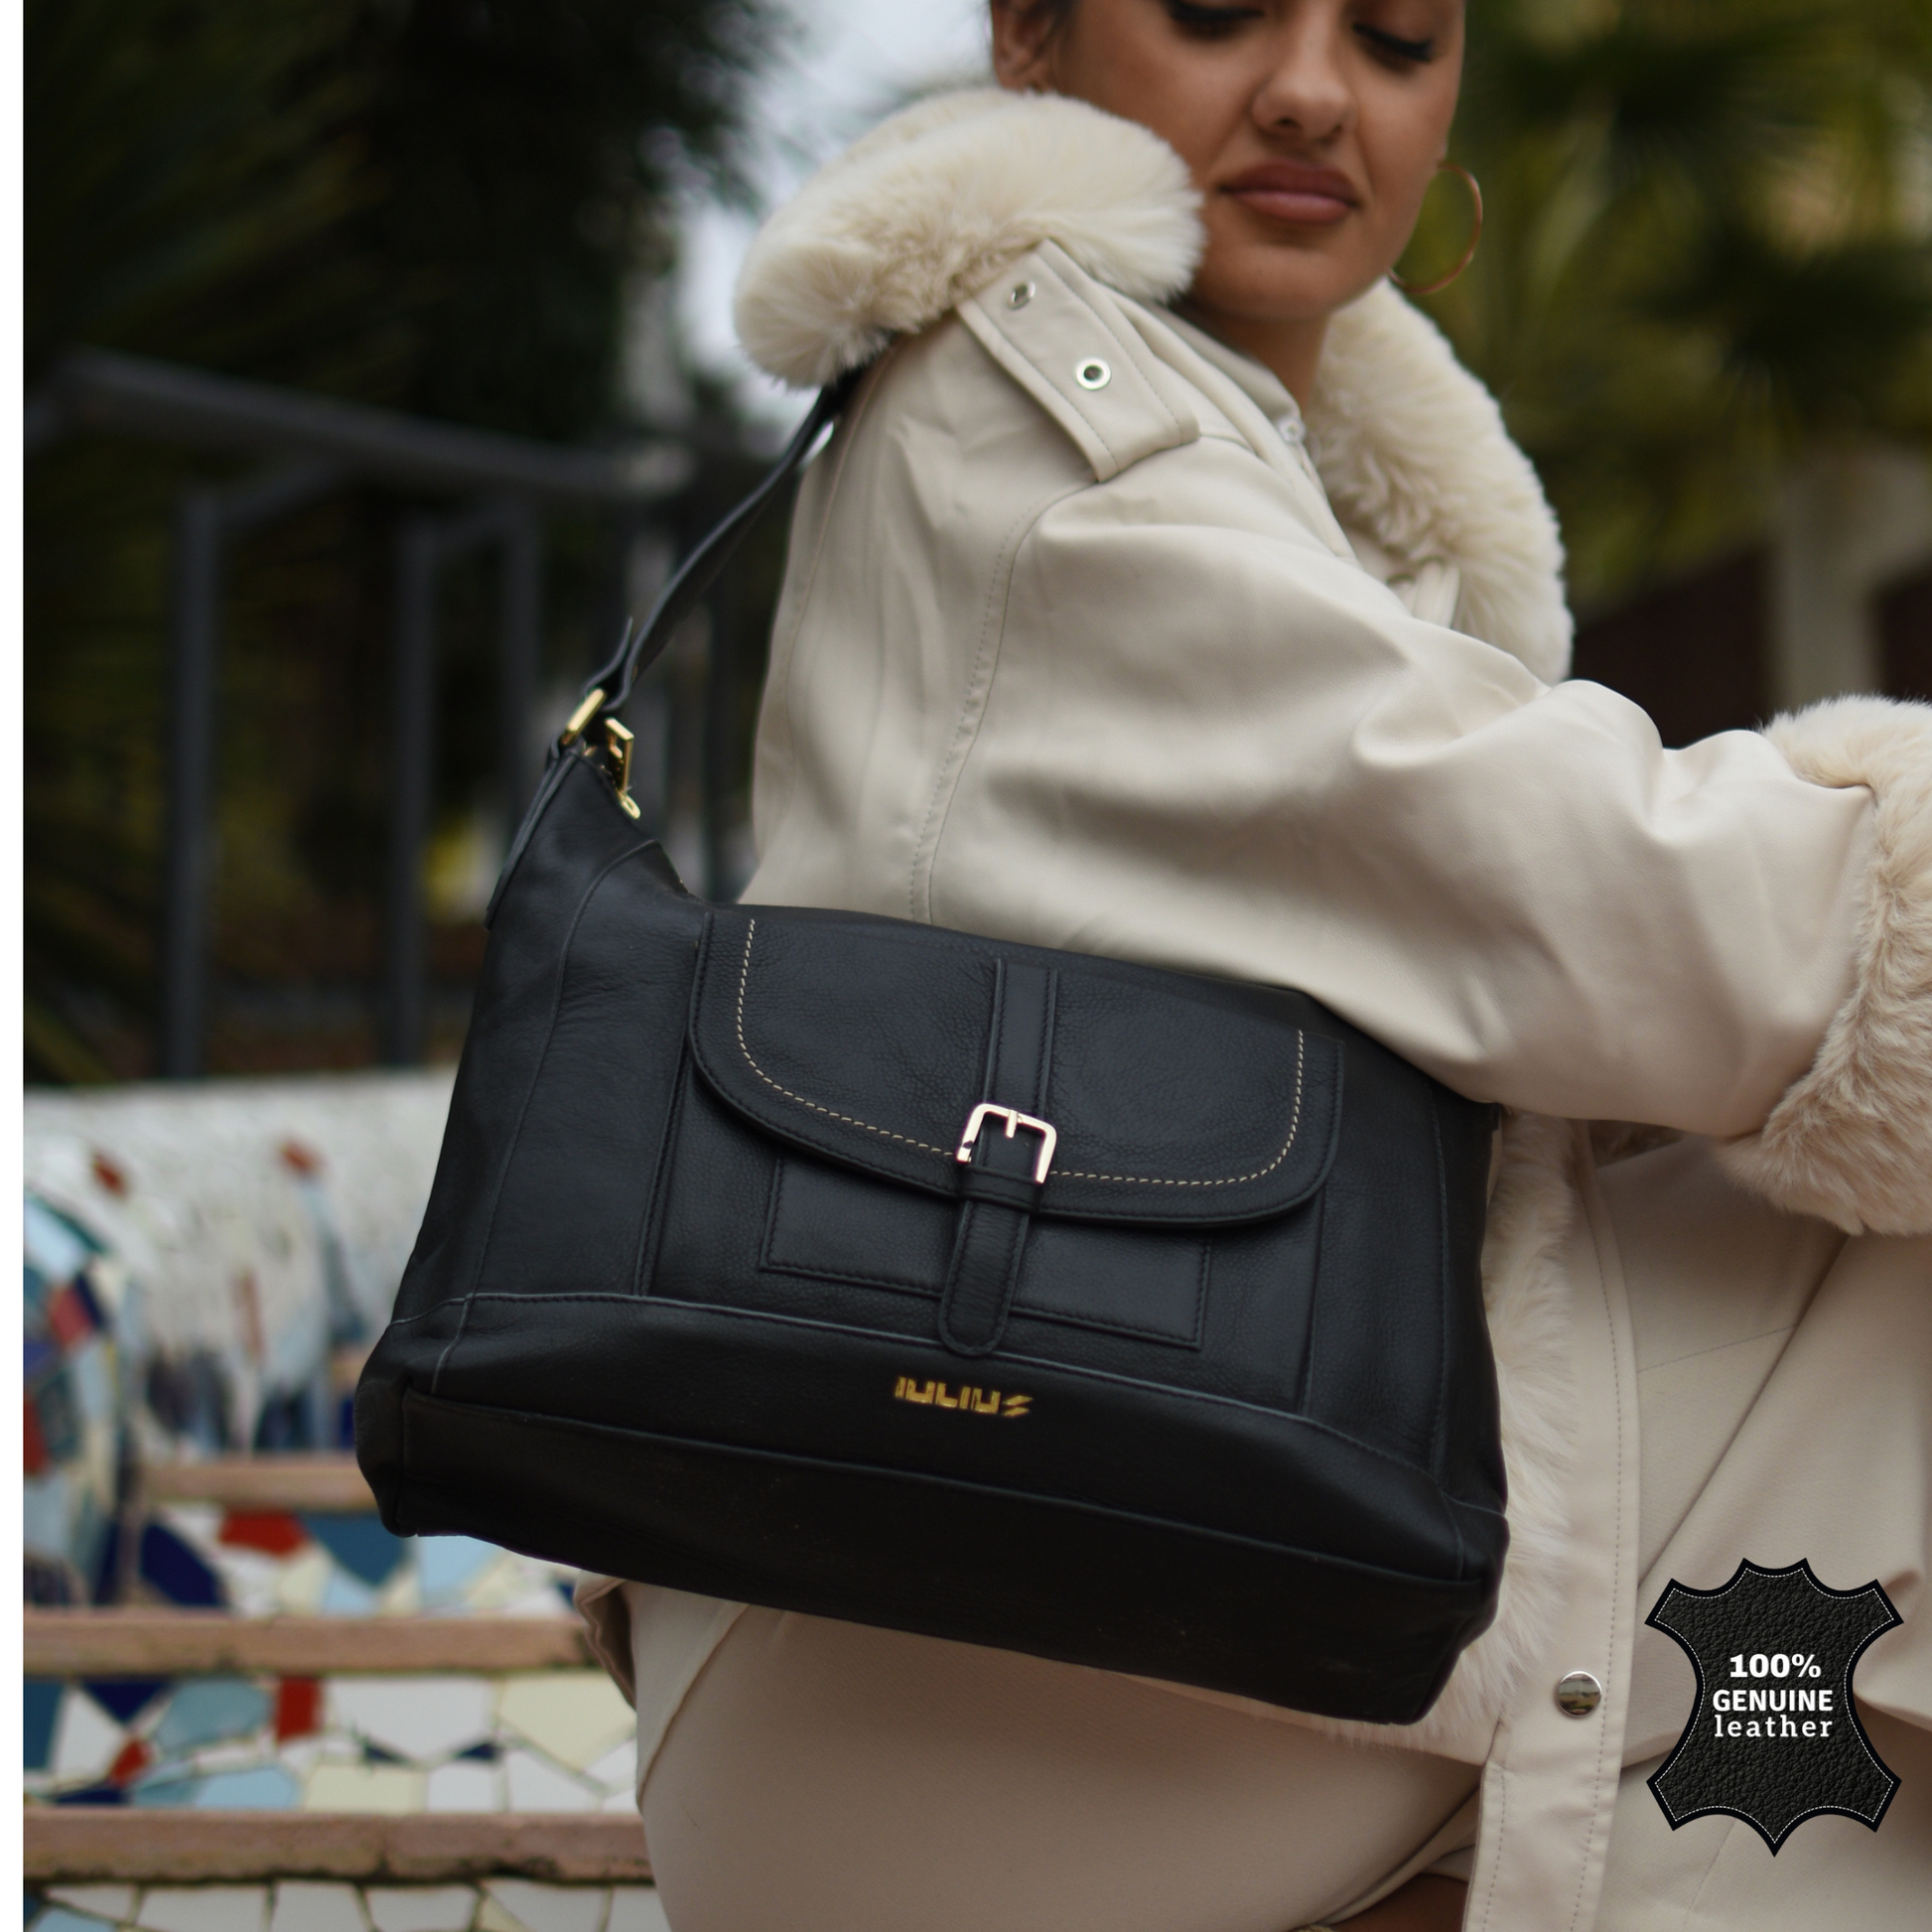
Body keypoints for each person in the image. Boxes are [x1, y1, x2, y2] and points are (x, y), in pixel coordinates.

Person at [578, 3, 1932, 1926]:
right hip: (950, 1667)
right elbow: (1598, 893)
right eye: (1217, 10)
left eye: (1392, 34)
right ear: (1029, 42)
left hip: (1058, 1564)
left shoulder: (1212, 448)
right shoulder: (1048, 419)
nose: (1313, 87)